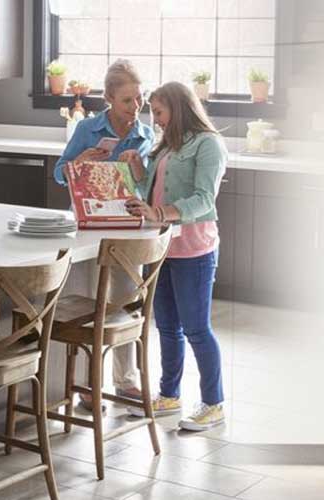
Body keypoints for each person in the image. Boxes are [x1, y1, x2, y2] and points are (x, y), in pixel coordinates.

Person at [123, 82, 227, 431]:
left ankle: (213, 403)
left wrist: (160, 213)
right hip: (161, 246)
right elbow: (149, 195)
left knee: (196, 328)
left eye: (159, 111)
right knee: (166, 326)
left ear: (178, 108)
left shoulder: (208, 144)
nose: (155, 119)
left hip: (194, 249)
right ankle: (169, 395)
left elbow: (204, 199)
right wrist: (138, 171)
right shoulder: (166, 145)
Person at [53, 60, 156, 409]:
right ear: (109, 98)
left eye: (139, 99)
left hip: (127, 227)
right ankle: (86, 384)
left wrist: (137, 168)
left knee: (126, 304)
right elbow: (59, 173)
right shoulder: (87, 128)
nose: (135, 106)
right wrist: (81, 161)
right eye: (128, 100)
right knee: (86, 305)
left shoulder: (145, 134)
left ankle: (125, 380)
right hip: (88, 226)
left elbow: (147, 185)